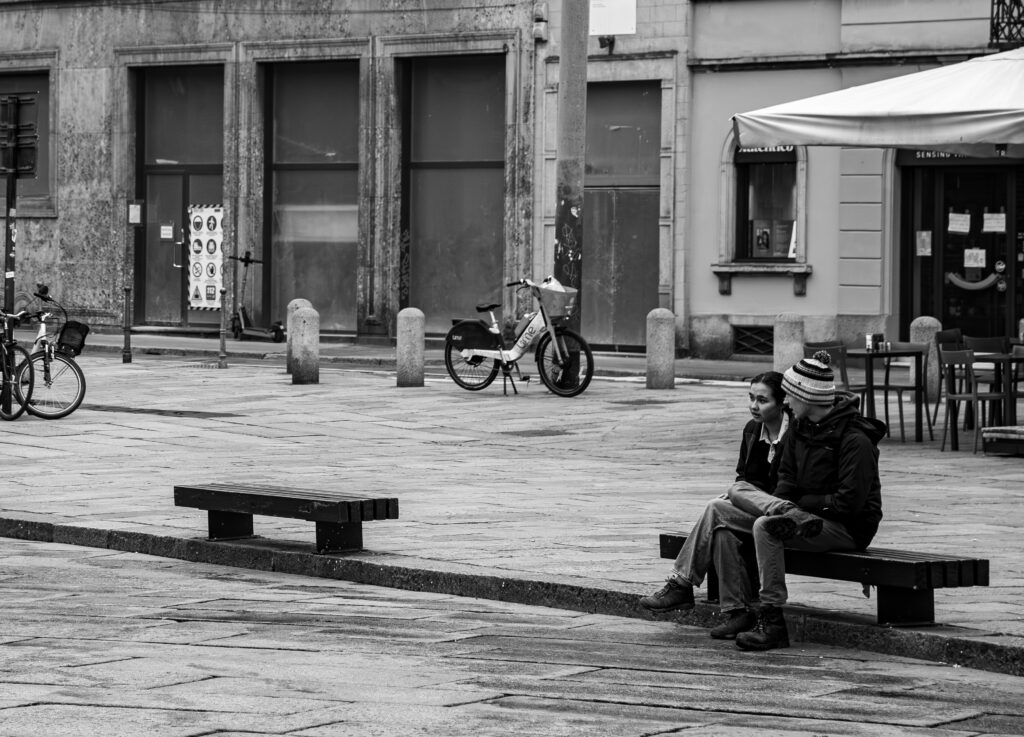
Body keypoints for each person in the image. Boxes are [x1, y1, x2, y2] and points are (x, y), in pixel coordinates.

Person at [641, 351, 885, 652]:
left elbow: (849, 503)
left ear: (807, 397)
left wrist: (801, 505)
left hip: (844, 527)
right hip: (798, 515)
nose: (787, 402)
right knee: (726, 500)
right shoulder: (800, 428)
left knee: (765, 527)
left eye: (790, 396)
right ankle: (687, 586)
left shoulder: (855, 440)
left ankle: (773, 623)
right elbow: (785, 484)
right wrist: (787, 505)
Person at [639, 371, 791, 640]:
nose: (754, 406)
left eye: (763, 400)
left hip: (781, 516)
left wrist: (742, 498)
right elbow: (744, 477)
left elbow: (787, 488)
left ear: (781, 403)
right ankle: (738, 611)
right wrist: (738, 496)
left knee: (715, 509)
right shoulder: (752, 430)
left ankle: (681, 584)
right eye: (751, 398)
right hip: (753, 510)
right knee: (721, 531)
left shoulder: (793, 436)